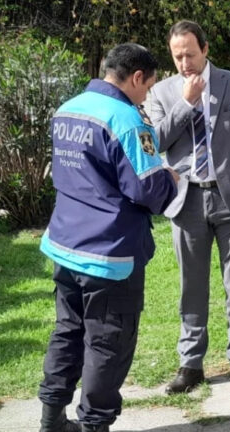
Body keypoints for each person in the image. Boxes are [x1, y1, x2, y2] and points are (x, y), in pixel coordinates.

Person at [38, 43, 179, 432]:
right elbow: (148, 191)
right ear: (137, 77)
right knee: (107, 344)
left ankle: (51, 419)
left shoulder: (67, 108)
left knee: (67, 331)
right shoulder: (128, 120)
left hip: (66, 245)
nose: (147, 94)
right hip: (109, 255)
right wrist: (170, 178)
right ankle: (94, 425)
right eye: (148, 87)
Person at [144, 20, 230, 399]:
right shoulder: (162, 91)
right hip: (187, 201)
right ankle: (191, 364)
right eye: (177, 56)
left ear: (205, 49)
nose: (185, 63)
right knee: (191, 287)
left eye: (190, 54)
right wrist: (186, 102)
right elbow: (157, 140)